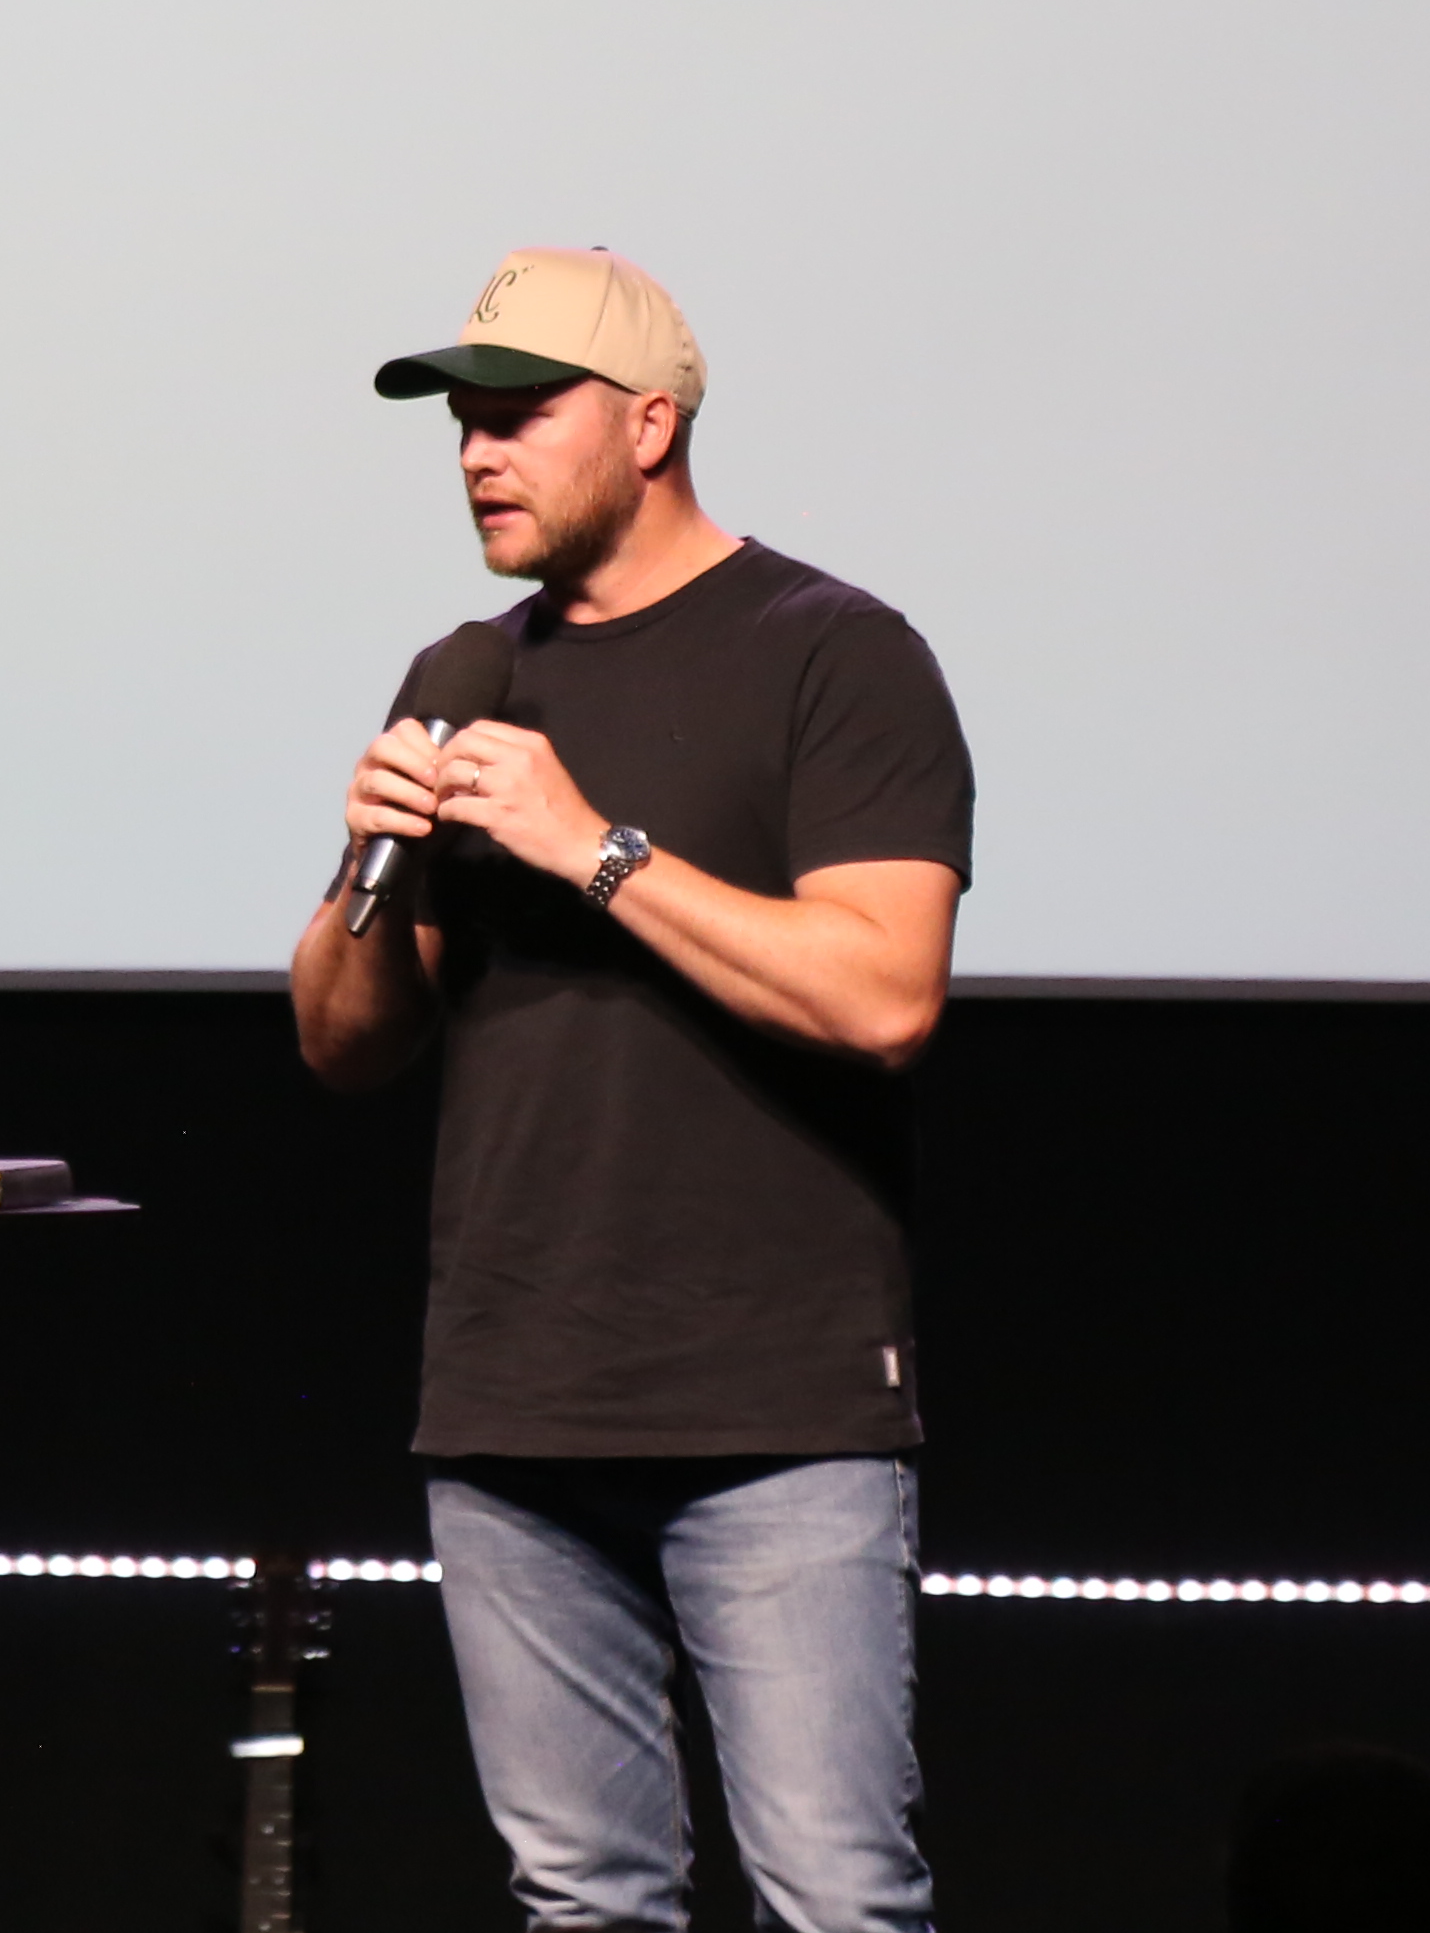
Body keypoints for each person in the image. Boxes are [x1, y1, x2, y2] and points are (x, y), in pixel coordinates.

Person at [290, 247, 975, 1933]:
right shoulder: (464, 673)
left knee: (835, 1897)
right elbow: (344, 1043)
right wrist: (366, 861)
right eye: (463, 423)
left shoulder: (836, 652)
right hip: (516, 1398)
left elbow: (885, 995)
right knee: (582, 1900)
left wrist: (591, 848)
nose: (478, 453)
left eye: (521, 415)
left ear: (651, 424)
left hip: (775, 1407)